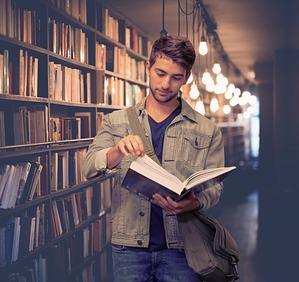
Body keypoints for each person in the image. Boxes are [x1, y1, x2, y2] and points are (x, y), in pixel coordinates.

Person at [83, 35, 225, 282]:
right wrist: (117, 150)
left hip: (182, 248)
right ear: (148, 67)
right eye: (160, 73)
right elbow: (89, 166)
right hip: (129, 247)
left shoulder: (206, 129)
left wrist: (195, 202)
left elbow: (215, 187)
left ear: (187, 78)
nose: (165, 84)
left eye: (176, 77)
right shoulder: (117, 121)